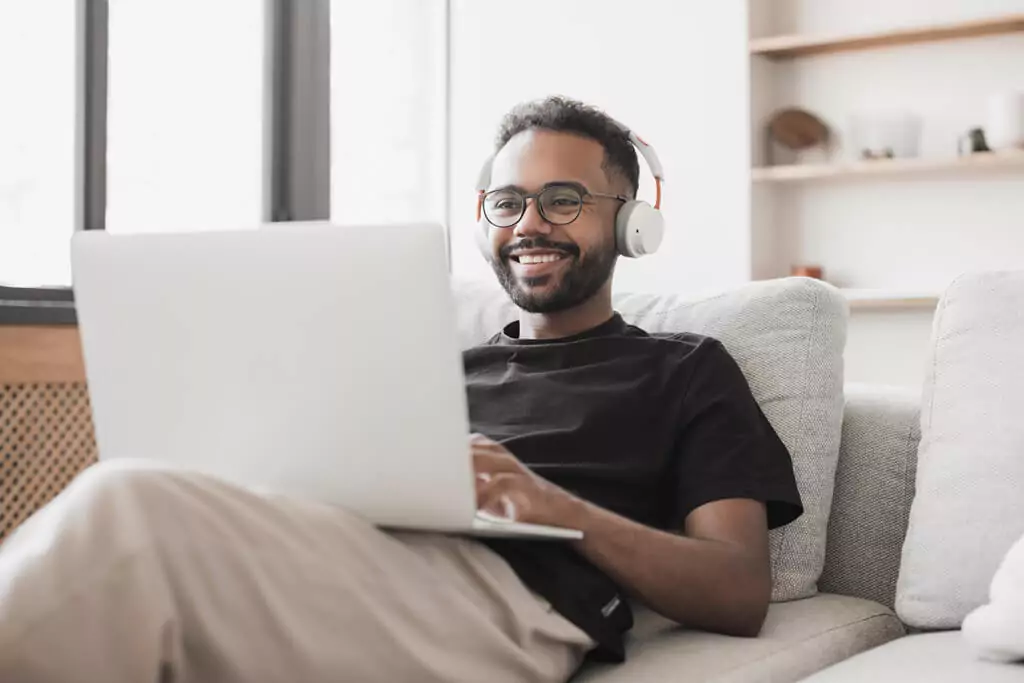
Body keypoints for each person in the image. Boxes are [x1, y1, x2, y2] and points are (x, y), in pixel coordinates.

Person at [0, 97, 801, 683]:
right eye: (508, 201)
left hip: (507, 596)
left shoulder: (685, 366)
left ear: (632, 223)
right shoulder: (435, 365)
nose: (530, 223)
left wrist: (556, 508)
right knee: (139, 534)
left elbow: (737, 590)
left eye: (563, 200)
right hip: (344, 558)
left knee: (129, 507)